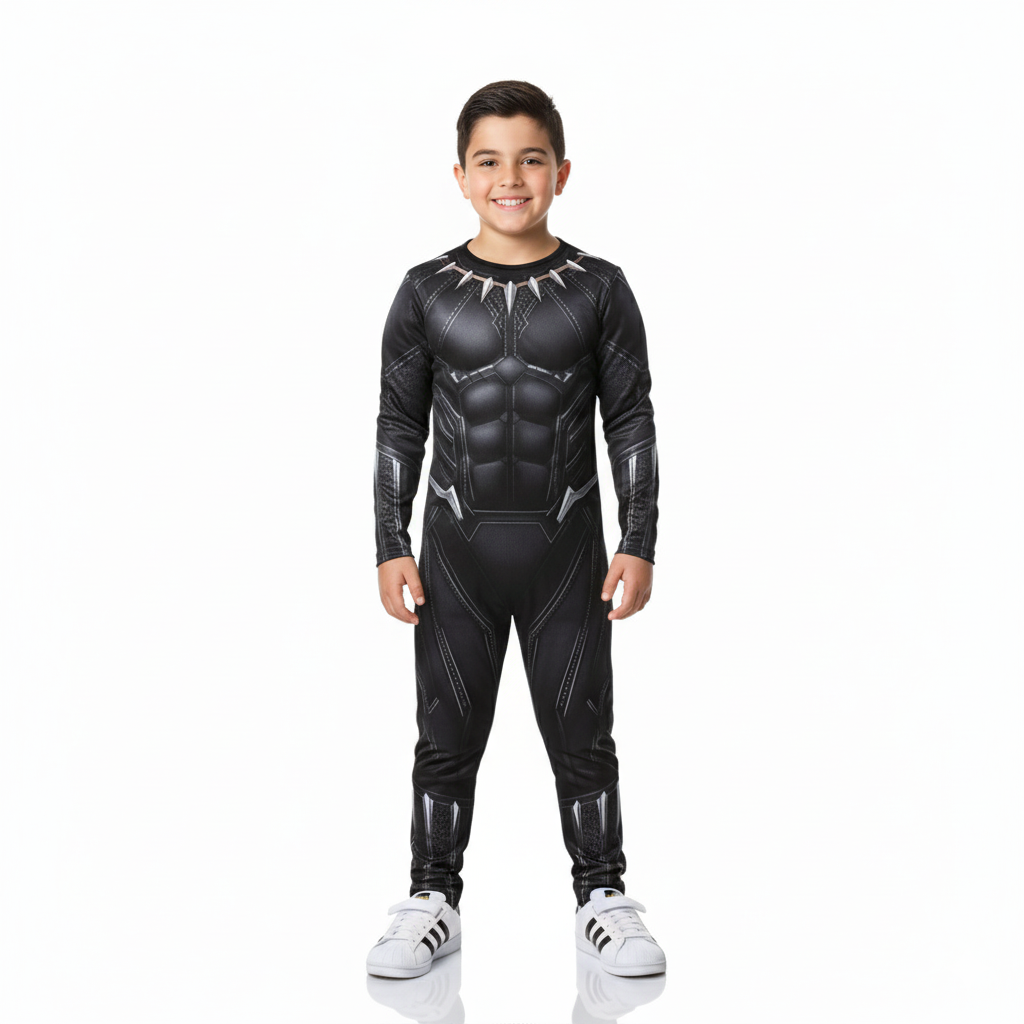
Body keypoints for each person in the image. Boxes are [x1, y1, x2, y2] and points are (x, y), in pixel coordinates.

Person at [366, 80, 666, 980]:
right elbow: (398, 426)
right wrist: (390, 543)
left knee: (584, 732)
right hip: (454, 559)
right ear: (460, 176)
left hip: (565, 556)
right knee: (443, 735)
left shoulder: (600, 288)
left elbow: (631, 422)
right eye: (489, 161)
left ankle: (603, 896)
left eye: (530, 159)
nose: (510, 178)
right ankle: (431, 899)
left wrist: (639, 538)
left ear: (562, 172)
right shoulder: (424, 291)